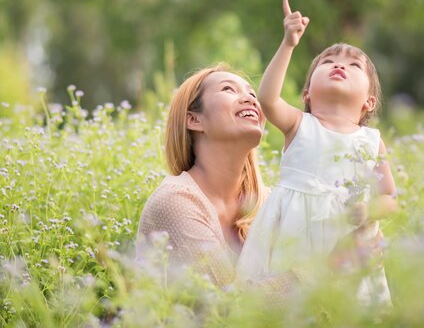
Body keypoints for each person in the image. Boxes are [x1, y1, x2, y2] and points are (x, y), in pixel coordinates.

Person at [136, 63, 386, 294]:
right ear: (194, 119)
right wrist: (331, 267)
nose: (250, 99)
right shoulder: (175, 202)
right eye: (228, 89)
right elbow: (226, 309)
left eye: (253, 94)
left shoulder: (271, 205)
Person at [236, 0, 398, 308]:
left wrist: (371, 211)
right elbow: (267, 98)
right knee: (288, 304)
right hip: (292, 233)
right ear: (308, 93)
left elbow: (390, 197)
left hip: (346, 236)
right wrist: (288, 44)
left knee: (345, 309)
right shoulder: (300, 124)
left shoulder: (371, 140)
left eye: (353, 65)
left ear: (369, 102)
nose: (339, 65)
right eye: (328, 62)